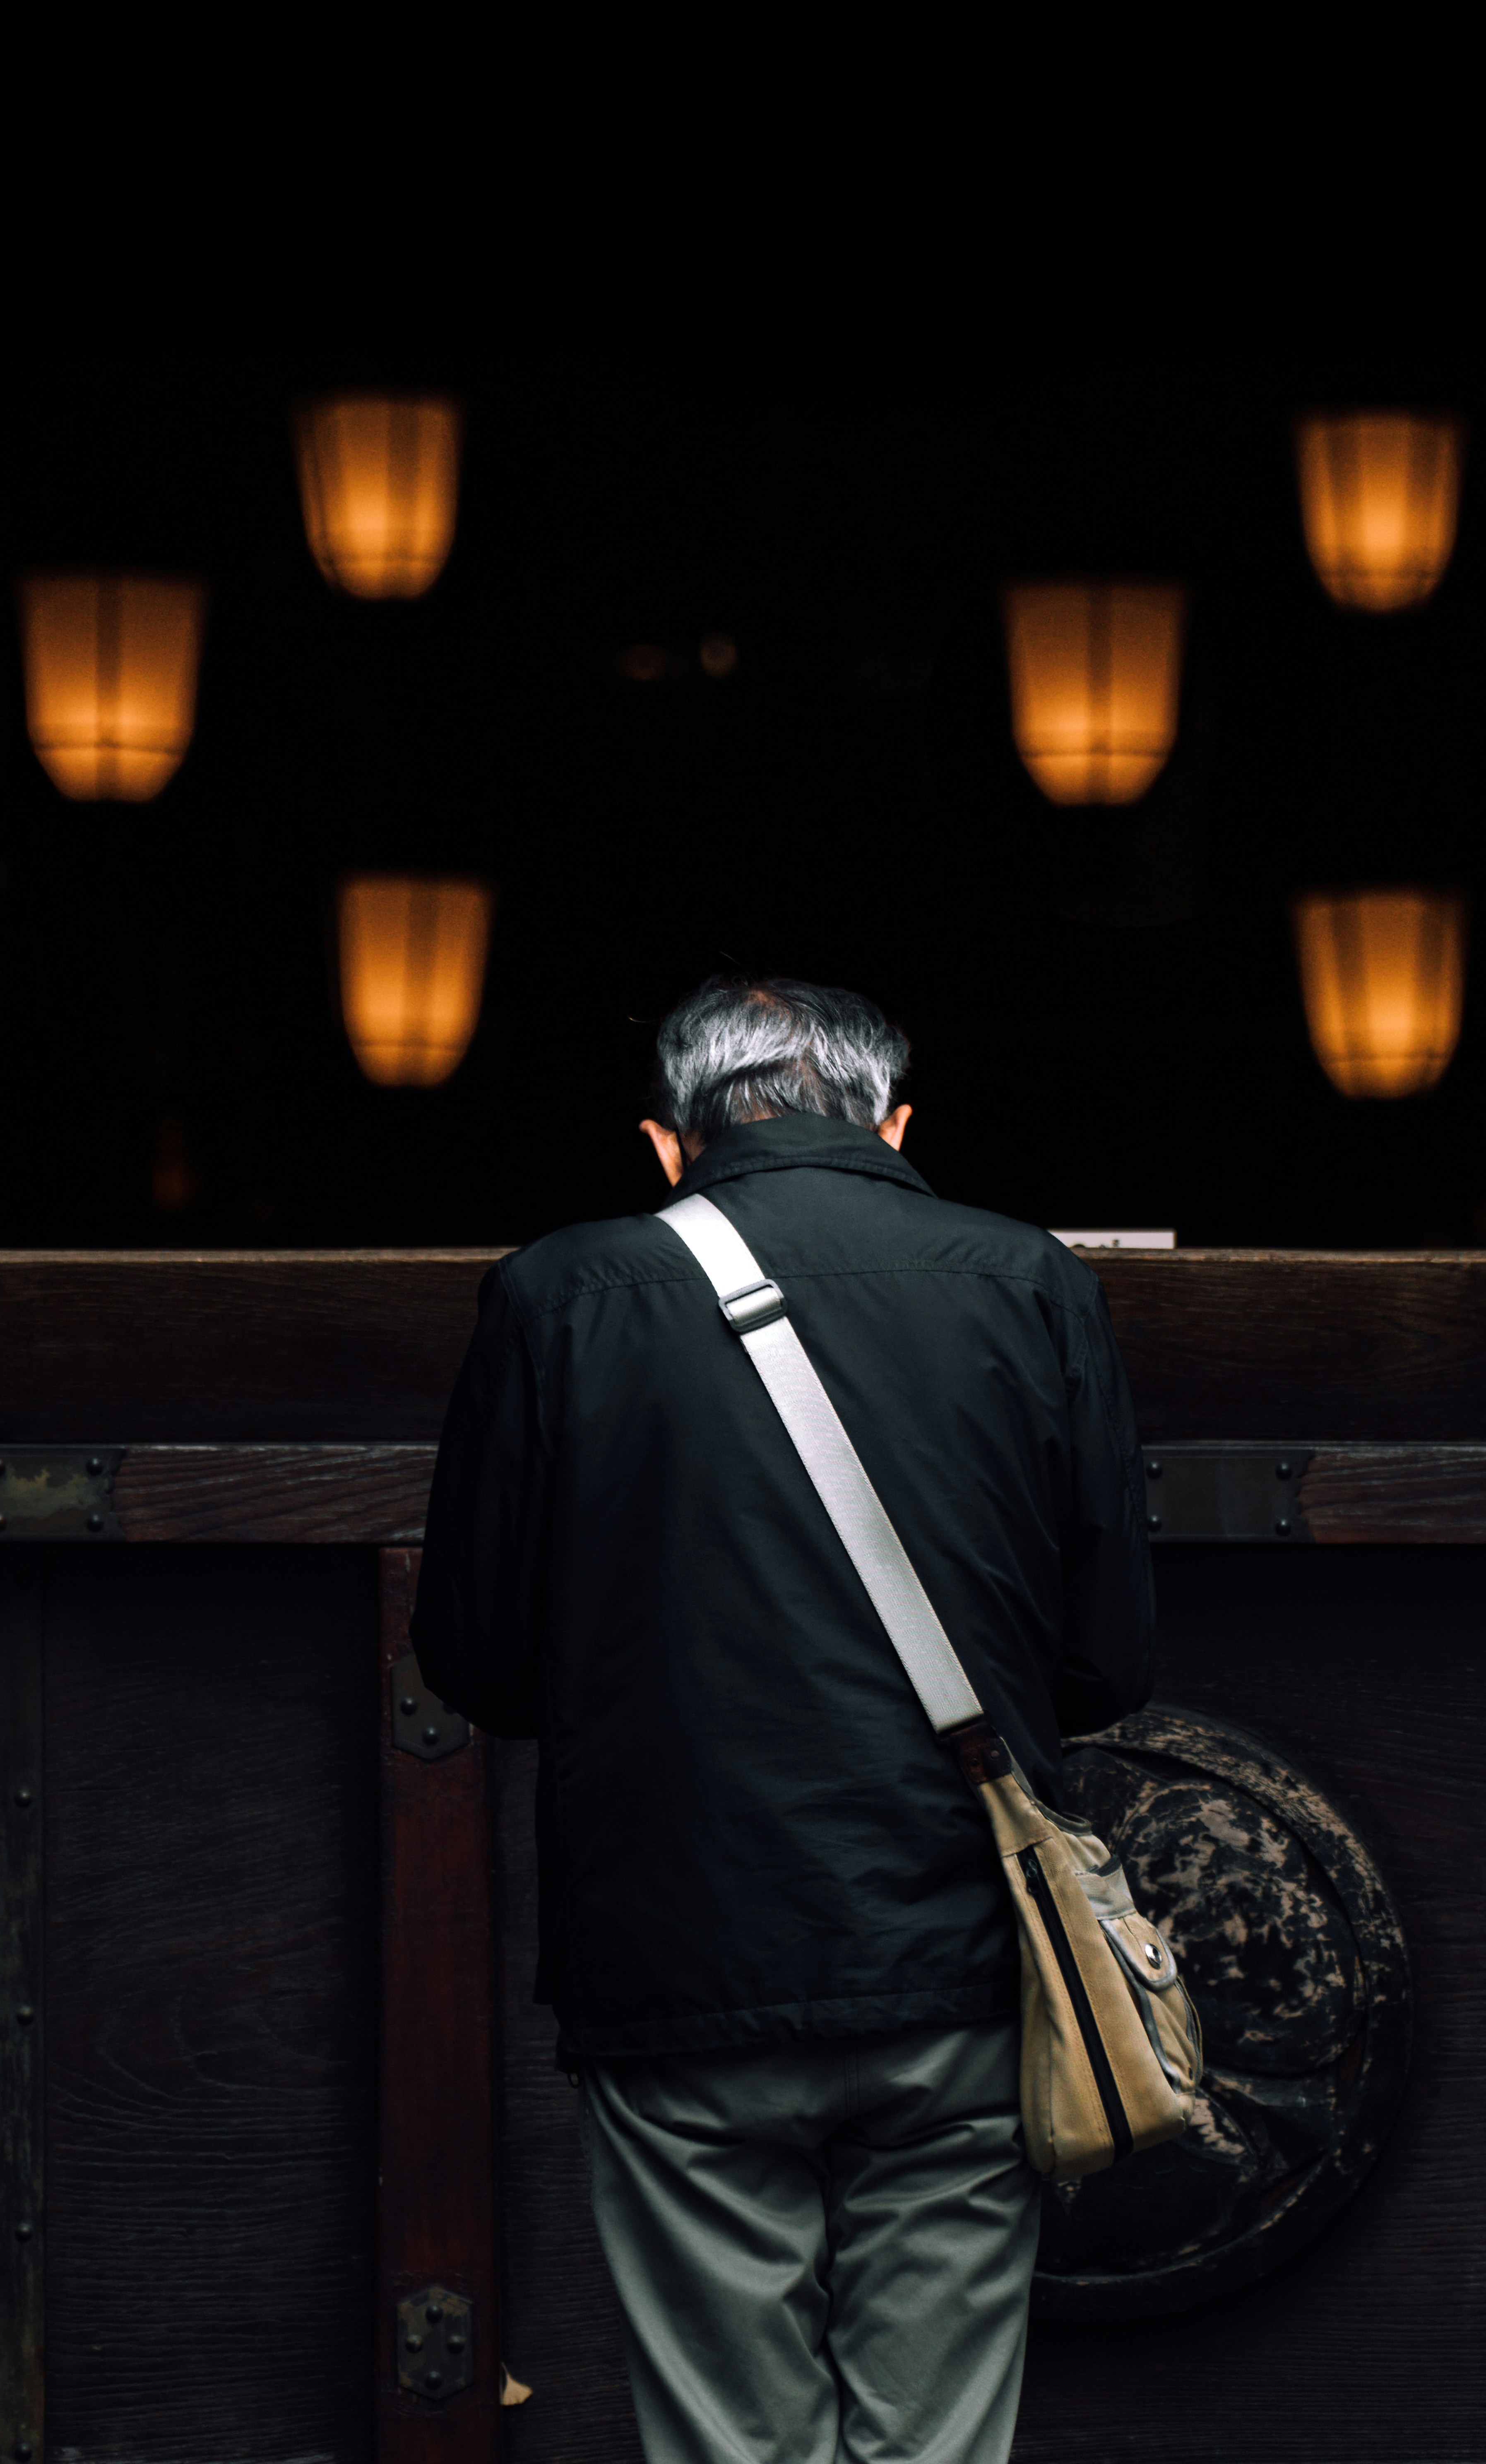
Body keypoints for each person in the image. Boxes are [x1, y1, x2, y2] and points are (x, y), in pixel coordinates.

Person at [413, 974, 1154, 2464]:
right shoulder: (1031, 1279)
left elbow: (479, 1663)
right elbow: (1107, 1657)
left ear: (667, 1147)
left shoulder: (557, 1294)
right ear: (893, 1122)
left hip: (674, 1962)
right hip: (949, 1952)